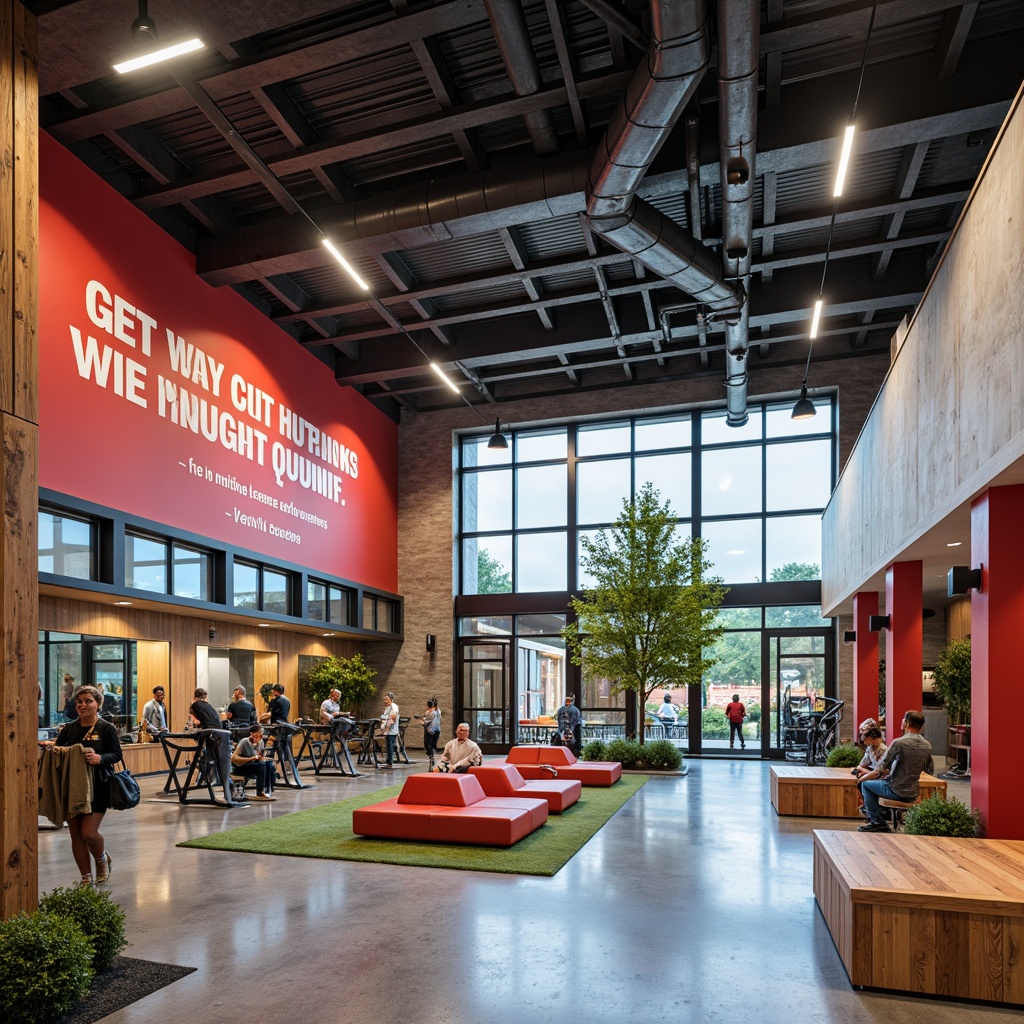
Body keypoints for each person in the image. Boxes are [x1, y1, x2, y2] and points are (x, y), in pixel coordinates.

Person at [52, 685, 122, 886]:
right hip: (72, 786)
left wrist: (100, 757)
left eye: (88, 701)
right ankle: (85, 877)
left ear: (98, 704)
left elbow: (117, 754)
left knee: (88, 832)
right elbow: (59, 751)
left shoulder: (106, 728)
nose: (83, 705)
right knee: (75, 834)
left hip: (98, 786)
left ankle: (101, 859)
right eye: (79, 702)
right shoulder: (69, 729)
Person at [859, 710, 934, 833]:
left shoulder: (899, 743)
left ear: (906, 723)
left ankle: (877, 822)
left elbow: (881, 768)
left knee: (866, 785)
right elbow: (929, 770)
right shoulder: (927, 745)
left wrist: (862, 777)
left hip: (895, 789)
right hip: (913, 792)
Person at [190, 687, 235, 805]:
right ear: (205, 696)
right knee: (221, 765)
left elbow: (195, 721)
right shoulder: (208, 705)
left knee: (212, 761)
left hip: (212, 734)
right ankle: (227, 793)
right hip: (220, 733)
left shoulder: (194, 704)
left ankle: (225, 791)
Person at [231, 724, 277, 801]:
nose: (261, 736)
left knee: (270, 765)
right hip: (242, 767)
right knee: (261, 766)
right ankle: (260, 792)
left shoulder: (261, 742)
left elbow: (259, 756)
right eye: (259, 733)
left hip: (253, 765)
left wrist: (264, 758)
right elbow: (234, 758)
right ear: (252, 734)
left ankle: (267, 789)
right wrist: (250, 758)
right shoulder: (244, 742)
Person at [851, 726, 887, 813]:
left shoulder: (882, 750)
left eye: (865, 738)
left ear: (871, 738)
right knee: (860, 777)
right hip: (876, 772)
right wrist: (861, 770)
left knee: (863, 783)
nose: (864, 741)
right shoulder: (871, 748)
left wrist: (862, 776)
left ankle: (873, 811)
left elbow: (879, 773)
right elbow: (863, 763)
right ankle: (869, 808)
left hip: (883, 776)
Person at [418, 698, 442, 768]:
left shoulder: (429, 713)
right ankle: (433, 756)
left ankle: (432, 757)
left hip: (430, 730)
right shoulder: (438, 711)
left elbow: (426, 722)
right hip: (437, 729)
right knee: (434, 744)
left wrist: (421, 722)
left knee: (428, 744)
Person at [378, 692, 400, 768]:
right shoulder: (388, 707)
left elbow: (393, 717)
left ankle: (390, 762)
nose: (385, 700)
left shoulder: (394, 706)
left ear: (391, 699)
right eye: (385, 699)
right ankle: (388, 761)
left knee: (390, 745)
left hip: (391, 729)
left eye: (387, 698)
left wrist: (387, 725)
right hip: (387, 729)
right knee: (388, 745)